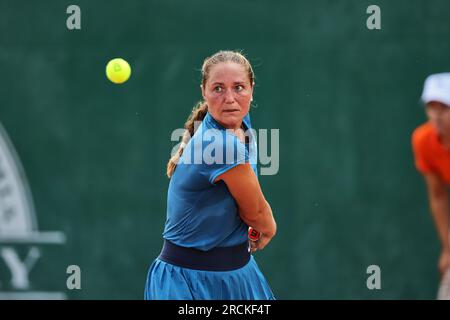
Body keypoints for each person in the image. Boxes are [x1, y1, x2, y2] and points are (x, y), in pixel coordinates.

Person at [144, 50, 277, 300]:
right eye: (218, 89)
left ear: (252, 89)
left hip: (237, 274)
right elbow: (256, 213)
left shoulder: (238, 121)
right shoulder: (220, 145)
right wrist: (268, 227)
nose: (230, 98)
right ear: (204, 91)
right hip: (187, 284)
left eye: (239, 87)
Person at [412, 73, 450, 281]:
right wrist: (447, 248)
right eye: (431, 107)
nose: (436, 115)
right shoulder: (423, 140)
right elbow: (438, 196)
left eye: (444, 108)